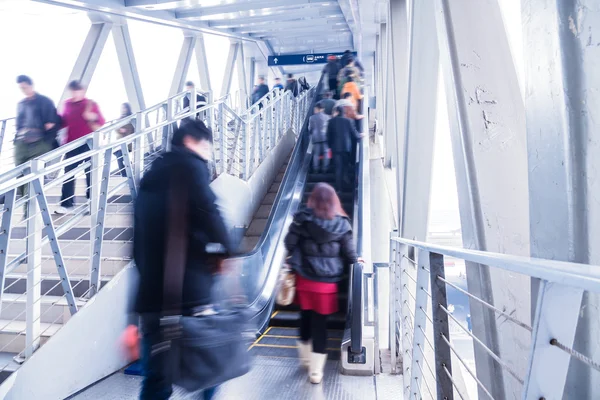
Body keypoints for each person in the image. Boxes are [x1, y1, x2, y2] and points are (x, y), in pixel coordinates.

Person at [133, 119, 233, 400]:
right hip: (189, 295)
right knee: (209, 366)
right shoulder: (191, 166)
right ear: (191, 141)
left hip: (151, 298)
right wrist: (228, 250)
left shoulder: (150, 175)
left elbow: (137, 240)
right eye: (207, 145)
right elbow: (208, 210)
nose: (208, 152)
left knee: (156, 377)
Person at [284, 183, 358, 384]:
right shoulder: (342, 224)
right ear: (334, 200)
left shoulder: (301, 219)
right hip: (327, 283)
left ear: (313, 199)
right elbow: (349, 252)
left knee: (305, 318)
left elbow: (289, 244)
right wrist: (357, 261)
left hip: (305, 278)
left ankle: (306, 359)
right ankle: (316, 372)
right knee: (320, 325)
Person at [55, 80, 105, 215]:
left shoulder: (90, 104)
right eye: (73, 90)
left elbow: (101, 122)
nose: (75, 93)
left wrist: (92, 116)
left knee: (90, 173)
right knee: (69, 174)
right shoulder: (67, 104)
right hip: (72, 144)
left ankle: (91, 201)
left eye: (77, 90)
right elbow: (64, 122)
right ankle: (66, 205)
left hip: (89, 144)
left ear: (82, 91)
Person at [14, 75, 60, 214]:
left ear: (31, 85)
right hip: (22, 142)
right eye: (21, 88)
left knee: (35, 175)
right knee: (20, 174)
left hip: (39, 142)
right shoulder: (21, 104)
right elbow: (19, 124)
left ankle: (32, 211)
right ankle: (26, 208)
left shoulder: (44, 101)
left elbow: (53, 122)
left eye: (25, 87)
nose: (23, 90)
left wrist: (46, 141)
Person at [327, 106, 361, 192]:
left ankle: (339, 189)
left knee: (338, 168)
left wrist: (330, 146)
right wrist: (360, 135)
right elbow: (354, 134)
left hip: (335, 149)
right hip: (346, 148)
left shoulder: (331, 121)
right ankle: (347, 183)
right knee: (345, 167)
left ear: (337, 112)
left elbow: (328, 136)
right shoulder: (348, 121)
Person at [114, 103, 135, 177]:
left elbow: (132, 129)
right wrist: (120, 130)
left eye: (124, 108)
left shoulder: (131, 118)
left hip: (127, 142)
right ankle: (125, 174)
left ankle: (126, 174)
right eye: (122, 108)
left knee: (121, 157)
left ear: (128, 109)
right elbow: (116, 129)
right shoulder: (119, 118)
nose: (123, 110)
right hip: (119, 142)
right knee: (120, 158)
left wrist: (124, 130)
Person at [308, 103, 330, 173]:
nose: (314, 110)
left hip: (316, 137)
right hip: (325, 138)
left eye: (315, 109)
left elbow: (310, 129)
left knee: (316, 154)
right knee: (326, 153)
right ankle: (325, 169)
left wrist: (312, 133)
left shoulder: (312, 118)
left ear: (318, 109)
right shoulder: (328, 117)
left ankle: (315, 169)